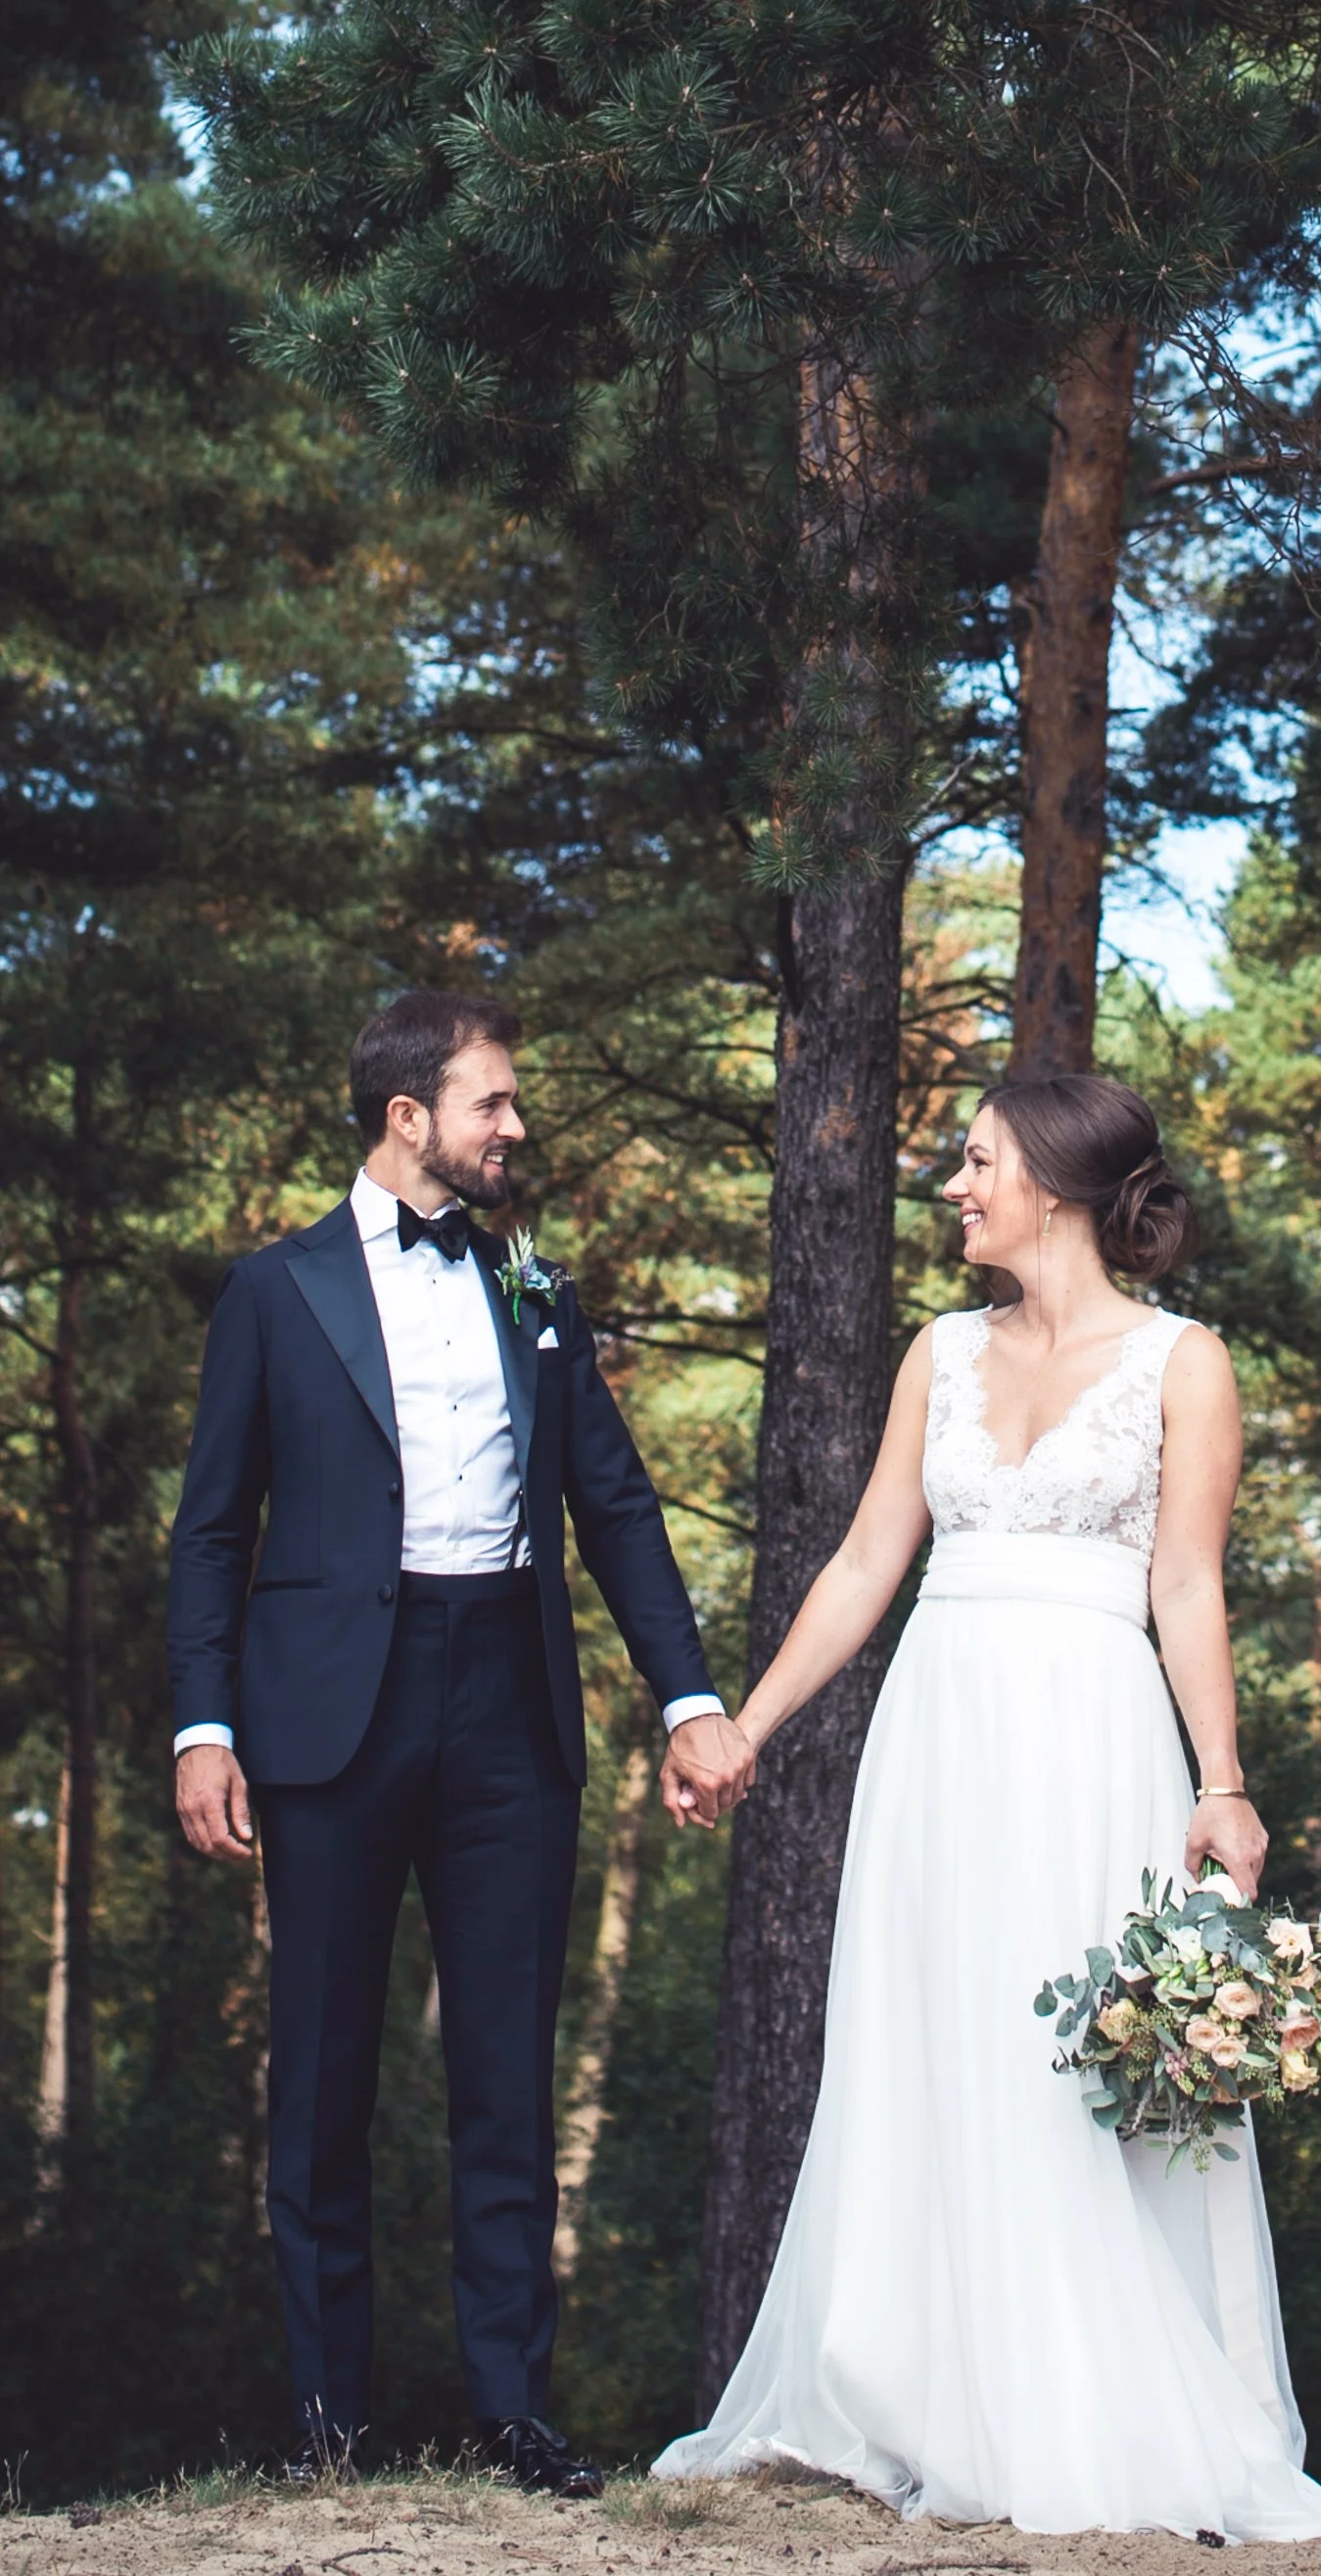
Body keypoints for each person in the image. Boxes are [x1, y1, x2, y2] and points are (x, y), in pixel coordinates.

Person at [655, 1068, 1321, 2541]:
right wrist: (749, 1726)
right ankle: (925, 2396)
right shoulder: (940, 1352)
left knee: (1068, 2068)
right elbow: (865, 1563)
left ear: (1053, 1183)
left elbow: (1186, 1581)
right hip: (941, 1730)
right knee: (932, 2040)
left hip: (1095, 1737)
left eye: (976, 1162)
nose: (957, 1186)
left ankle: (1084, 2406)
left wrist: (1222, 1782)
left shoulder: (1185, 1363)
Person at [167, 990, 758, 2495]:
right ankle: (328, 2425)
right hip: (326, 1715)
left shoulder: (534, 1287)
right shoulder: (274, 1290)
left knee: (508, 2066)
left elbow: (614, 1503)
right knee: (322, 2076)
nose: (516, 1127)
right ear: (407, 1117)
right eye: (493, 1103)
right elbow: (213, 1529)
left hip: (508, 1696)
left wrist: (690, 1699)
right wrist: (203, 1722)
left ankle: (517, 2415)